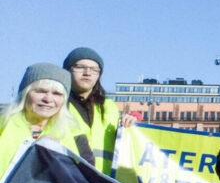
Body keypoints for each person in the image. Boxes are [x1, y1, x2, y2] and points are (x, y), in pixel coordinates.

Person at [0, 63, 90, 176]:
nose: (48, 99)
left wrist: (56, 153)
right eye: (40, 91)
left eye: (57, 94)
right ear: (25, 93)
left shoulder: (74, 133)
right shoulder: (3, 122)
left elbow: (78, 180)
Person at [62, 47, 134, 175]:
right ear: (67, 70)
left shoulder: (109, 107)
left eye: (94, 69)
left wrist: (135, 124)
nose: (87, 73)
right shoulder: (57, 105)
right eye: (80, 67)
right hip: (70, 180)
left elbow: (130, 143)